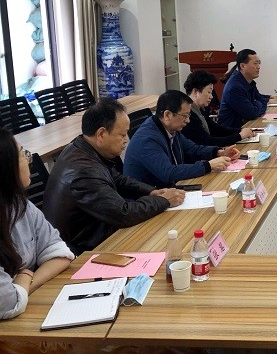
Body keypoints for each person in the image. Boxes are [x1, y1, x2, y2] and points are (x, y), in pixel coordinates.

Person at [43, 98, 185, 255]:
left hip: (101, 231)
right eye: (122, 135)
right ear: (101, 134)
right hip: (85, 251)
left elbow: (117, 179)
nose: (126, 141)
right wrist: (164, 200)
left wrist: (152, 192)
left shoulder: (83, 147)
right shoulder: (84, 172)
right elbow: (123, 214)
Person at [0, 128, 74, 320]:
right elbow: (6, 303)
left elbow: (60, 254)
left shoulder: (19, 204)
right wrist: (24, 280)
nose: (28, 159)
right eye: (22, 154)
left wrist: (25, 281)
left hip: (24, 311)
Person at [124, 90, 239, 188]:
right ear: (167, 115)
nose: (188, 120)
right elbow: (168, 172)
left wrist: (219, 152)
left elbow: (193, 149)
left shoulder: (171, 128)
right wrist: (208, 165)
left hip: (168, 190)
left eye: (189, 115)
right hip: (146, 199)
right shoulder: (147, 139)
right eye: (184, 116)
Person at [183, 70, 255, 146]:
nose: (211, 96)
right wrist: (240, 136)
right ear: (195, 91)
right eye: (209, 92)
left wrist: (240, 131)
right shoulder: (188, 114)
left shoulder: (199, 109)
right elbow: (208, 142)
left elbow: (216, 129)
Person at [217, 48, 277, 129]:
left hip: (245, 127)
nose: (258, 67)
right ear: (242, 66)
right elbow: (252, 114)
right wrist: (262, 102)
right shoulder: (235, 87)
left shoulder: (248, 81)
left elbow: (258, 97)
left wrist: (270, 97)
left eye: (259, 63)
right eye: (255, 63)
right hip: (231, 131)